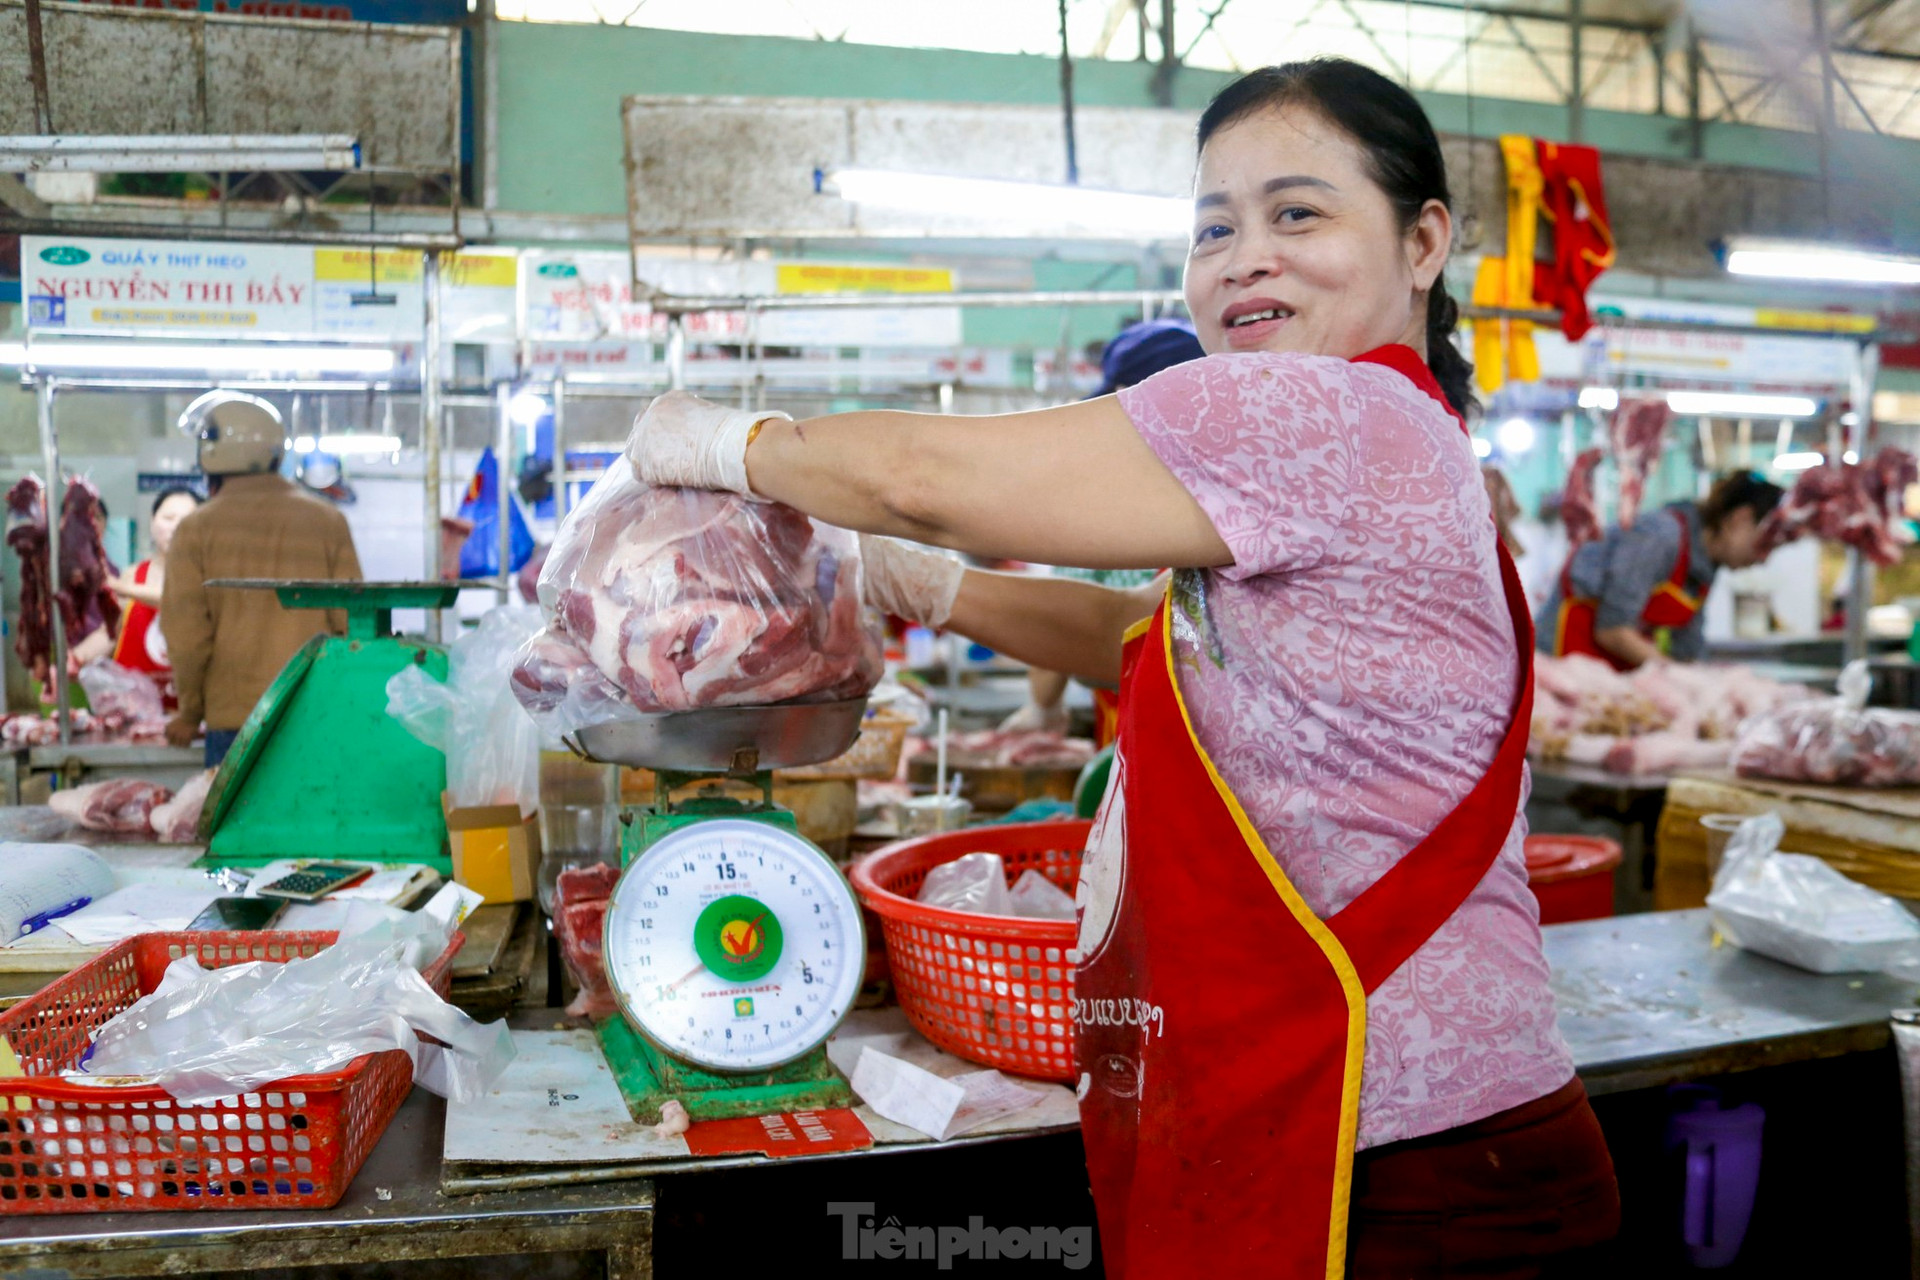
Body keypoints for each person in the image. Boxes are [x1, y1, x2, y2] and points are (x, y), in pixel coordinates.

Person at [625, 57, 1616, 1278]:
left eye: (1296, 213)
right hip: (1422, 1143)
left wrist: (728, 442)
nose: (1246, 256)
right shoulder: (1398, 438)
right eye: (1215, 226)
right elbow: (1139, 642)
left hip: (1420, 1171)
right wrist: (928, 587)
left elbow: (920, 480)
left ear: (1423, 242)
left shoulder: (1326, 413)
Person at [1001, 317, 1203, 740]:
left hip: (1154, 731)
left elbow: (1061, 623)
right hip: (1167, 731)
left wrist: (1043, 705)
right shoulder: (1235, 483)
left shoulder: (1097, 497)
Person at [161, 391, 362, 766]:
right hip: (314, 715)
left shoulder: (195, 529)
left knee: (237, 825)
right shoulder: (327, 521)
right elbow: (352, 623)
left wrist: (190, 713)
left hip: (235, 723)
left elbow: (187, 636)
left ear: (212, 455)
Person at [1538, 471, 1784, 671]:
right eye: (1767, 544)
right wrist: (1678, 680)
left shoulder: (1705, 565)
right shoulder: (1660, 535)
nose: (1764, 559)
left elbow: (1688, 650)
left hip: (1606, 675)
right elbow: (1612, 630)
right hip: (1561, 661)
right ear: (1740, 519)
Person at [83, 487, 202, 708]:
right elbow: (109, 634)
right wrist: (75, 658)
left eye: (186, 520)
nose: (175, 526)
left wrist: (122, 588)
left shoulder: (209, 578)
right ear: (152, 521)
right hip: (134, 713)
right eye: (168, 518)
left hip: (192, 715)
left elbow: (182, 600)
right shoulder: (132, 576)